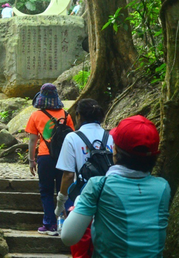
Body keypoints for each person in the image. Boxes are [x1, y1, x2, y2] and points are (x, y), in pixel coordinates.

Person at [61, 115, 170, 258]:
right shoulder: (163, 188)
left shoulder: (98, 186)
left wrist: (79, 202)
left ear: (115, 151)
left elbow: (68, 237)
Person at [55, 99, 114, 257]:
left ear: (79, 115)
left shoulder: (72, 138)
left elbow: (67, 175)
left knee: (81, 245)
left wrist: (60, 202)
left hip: (82, 199)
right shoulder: (110, 137)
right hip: (108, 196)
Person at [26, 83, 74, 236]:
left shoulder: (35, 116)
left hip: (45, 157)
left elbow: (33, 140)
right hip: (64, 158)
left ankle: (49, 224)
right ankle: (68, 224)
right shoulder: (66, 115)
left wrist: (31, 160)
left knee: (46, 191)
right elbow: (72, 138)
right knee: (64, 190)